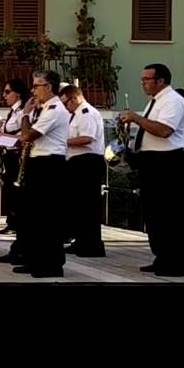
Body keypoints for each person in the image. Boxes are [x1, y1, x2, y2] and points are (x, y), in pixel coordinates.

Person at [118, 63, 184, 276]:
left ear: (161, 81)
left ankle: (176, 262)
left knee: (169, 214)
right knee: (154, 214)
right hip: (152, 161)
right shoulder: (155, 102)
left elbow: (164, 130)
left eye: (146, 79)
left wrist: (137, 118)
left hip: (168, 163)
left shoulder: (173, 101)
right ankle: (162, 257)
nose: (143, 83)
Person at [0, 70, 69, 278]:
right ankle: (35, 259)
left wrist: (25, 114)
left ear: (49, 87)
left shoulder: (55, 109)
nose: (32, 90)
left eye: (37, 86)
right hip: (37, 162)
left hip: (50, 164)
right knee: (33, 216)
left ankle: (51, 264)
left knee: (47, 216)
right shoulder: (45, 108)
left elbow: (27, 135)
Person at [60, 84, 107, 258]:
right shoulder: (76, 115)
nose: (66, 107)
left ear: (74, 98)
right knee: (78, 205)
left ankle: (91, 244)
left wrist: (62, 142)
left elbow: (87, 138)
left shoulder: (87, 113)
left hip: (87, 162)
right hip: (76, 162)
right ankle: (81, 241)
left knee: (88, 206)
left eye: (66, 103)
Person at [0, 79, 28, 235]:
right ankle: (11, 221)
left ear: (17, 94)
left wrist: (0, 135)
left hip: (17, 155)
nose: (4, 95)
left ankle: (17, 223)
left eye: (8, 92)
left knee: (16, 191)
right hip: (8, 154)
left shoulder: (21, 112)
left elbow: (22, 137)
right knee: (9, 191)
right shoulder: (12, 112)